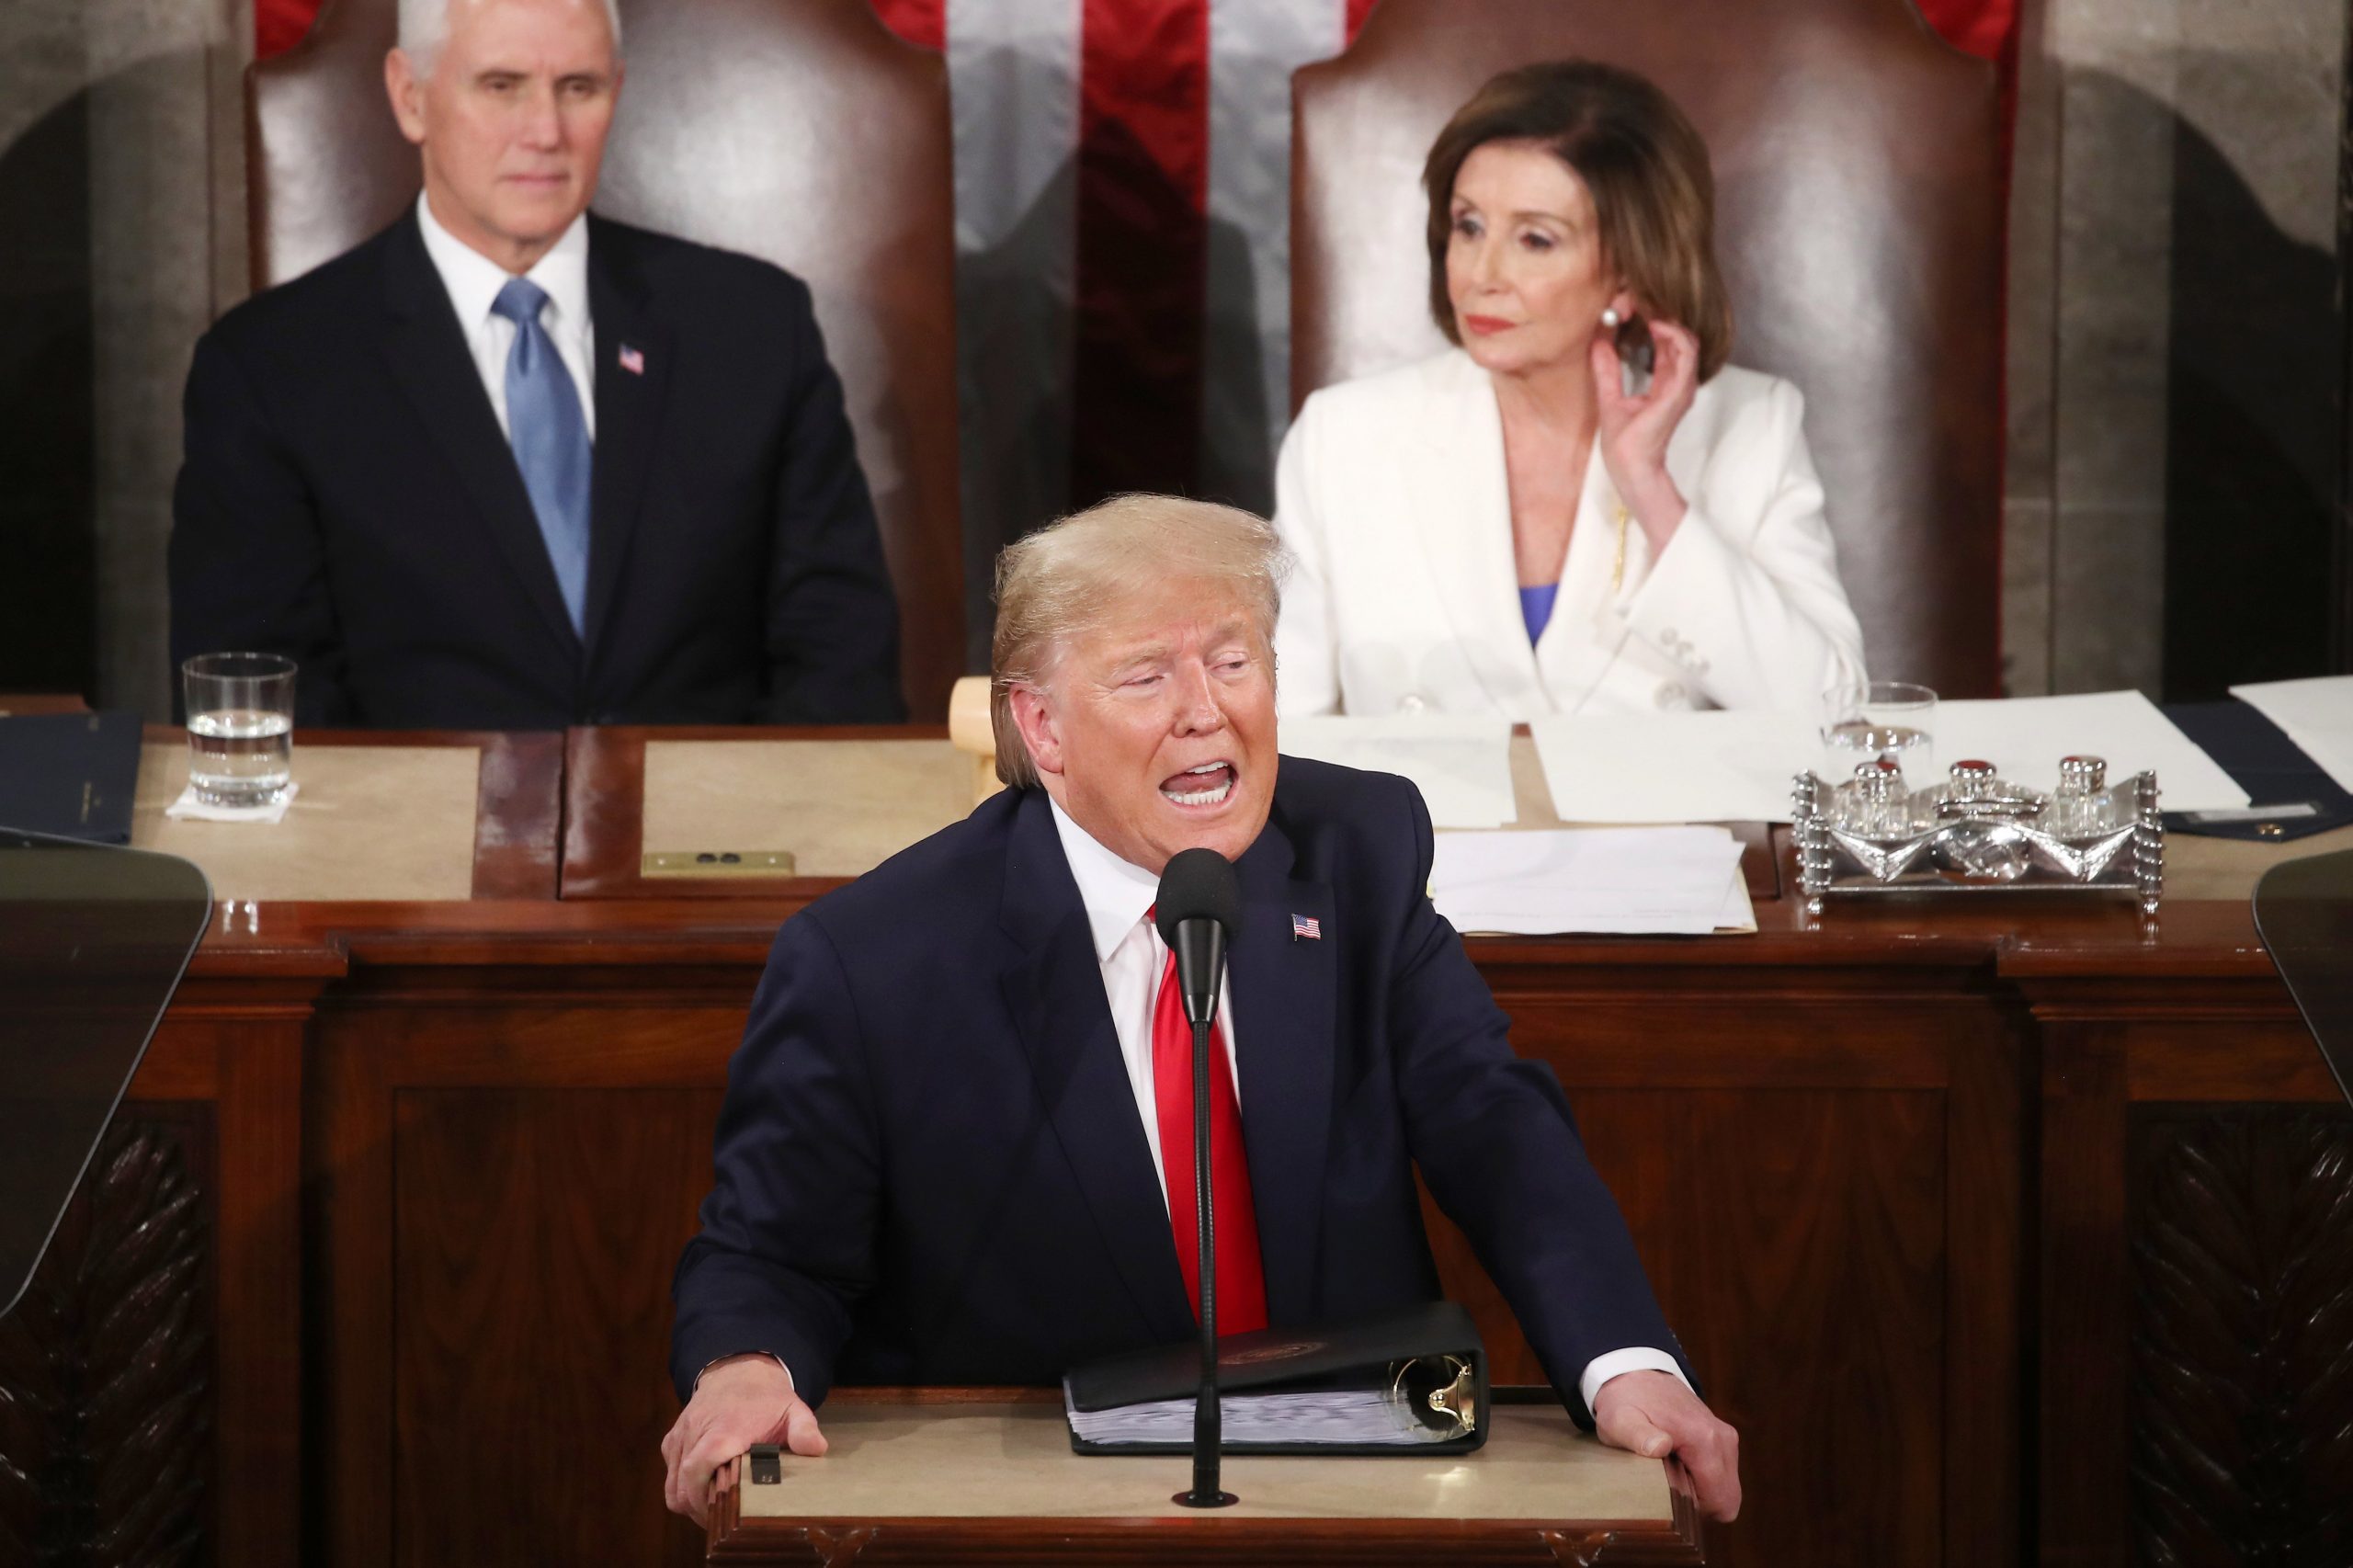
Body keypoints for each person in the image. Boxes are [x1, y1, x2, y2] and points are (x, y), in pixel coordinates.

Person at [661, 494, 1741, 1526]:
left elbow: (1497, 1129)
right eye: (1145, 676)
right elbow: (768, 1253)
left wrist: (1623, 1361)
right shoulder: (873, 959)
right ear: (1042, 729)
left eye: (1232, 661)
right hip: (1035, 1509)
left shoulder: (1353, 851)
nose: (1204, 709)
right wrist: (747, 1365)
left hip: (1349, 1498)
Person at [168, 0, 904, 728]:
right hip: (416, 837)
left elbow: (842, 662)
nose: (545, 132)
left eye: (576, 88)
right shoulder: (272, 367)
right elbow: (260, 702)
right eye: (501, 85)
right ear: (410, 97)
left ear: (615, 93)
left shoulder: (753, 328)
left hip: (719, 834)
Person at [1273, 60, 1865, 720]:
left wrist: (1650, 490)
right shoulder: (1343, 438)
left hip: (1666, 824)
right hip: (1425, 825)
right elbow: (1286, 737)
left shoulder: (1751, 426)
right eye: (1468, 226)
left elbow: (1832, 713)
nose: (1481, 274)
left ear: (1630, 270)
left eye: (1535, 239)